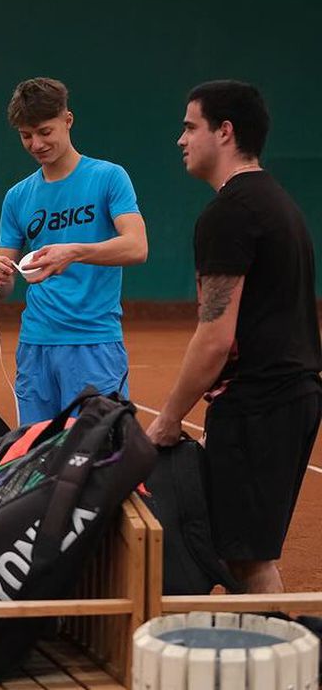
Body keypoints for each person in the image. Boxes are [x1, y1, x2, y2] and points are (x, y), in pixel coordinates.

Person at [146, 80, 321, 594]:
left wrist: (170, 417)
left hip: (261, 406)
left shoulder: (230, 213)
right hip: (284, 399)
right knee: (243, 554)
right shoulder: (276, 203)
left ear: (224, 131)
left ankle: (275, 671)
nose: (181, 139)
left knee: (247, 561)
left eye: (189, 126)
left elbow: (215, 337)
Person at [0, 77, 148, 425]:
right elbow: (2, 286)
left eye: (45, 131)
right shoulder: (17, 197)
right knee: (36, 460)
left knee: (99, 459)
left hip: (94, 343)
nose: (36, 143)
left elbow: (136, 246)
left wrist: (72, 252)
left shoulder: (108, 177)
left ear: (67, 120)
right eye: (26, 135)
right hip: (35, 347)